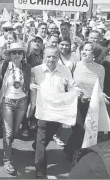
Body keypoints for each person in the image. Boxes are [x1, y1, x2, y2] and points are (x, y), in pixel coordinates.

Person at [29, 46, 81, 179]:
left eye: (54, 56)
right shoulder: (36, 70)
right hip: (43, 109)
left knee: (47, 135)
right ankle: (40, 170)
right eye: (48, 56)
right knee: (42, 135)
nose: (51, 59)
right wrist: (31, 86)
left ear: (58, 57)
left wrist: (76, 90)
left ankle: (37, 145)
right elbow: (28, 85)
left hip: (58, 111)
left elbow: (71, 84)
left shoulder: (64, 70)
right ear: (43, 57)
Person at [64, 42, 105, 165]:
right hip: (75, 103)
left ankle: (69, 150)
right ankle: (75, 154)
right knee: (80, 130)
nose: (84, 52)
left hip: (91, 104)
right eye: (83, 49)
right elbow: (66, 84)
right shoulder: (74, 65)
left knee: (86, 131)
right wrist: (72, 89)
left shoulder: (100, 69)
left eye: (88, 50)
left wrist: (101, 97)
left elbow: (100, 88)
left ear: (94, 54)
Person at [0, 42, 31, 175]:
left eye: (19, 52)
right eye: (14, 52)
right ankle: (7, 159)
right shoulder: (4, 66)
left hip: (22, 102)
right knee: (8, 132)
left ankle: (8, 147)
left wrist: (31, 102)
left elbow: (31, 85)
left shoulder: (27, 68)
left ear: (23, 55)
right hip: (7, 102)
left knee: (15, 131)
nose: (16, 55)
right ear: (10, 55)